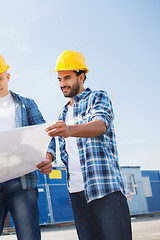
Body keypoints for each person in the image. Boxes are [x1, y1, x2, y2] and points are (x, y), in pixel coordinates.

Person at [0, 53, 55, 240]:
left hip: (21, 183)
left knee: (29, 237)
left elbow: (46, 133)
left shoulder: (26, 105)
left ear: (8, 76)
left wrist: (48, 156)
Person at [46, 50, 132, 240]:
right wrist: (47, 159)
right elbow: (51, 143)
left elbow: (100, 125)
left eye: (67, 78)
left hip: (105, 188)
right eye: (59, 79)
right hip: (77, 193)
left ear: (82, 76)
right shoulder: (62, 114)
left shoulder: (98, 97)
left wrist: (69, 130)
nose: (62, 84)